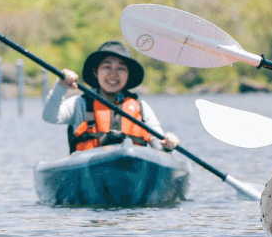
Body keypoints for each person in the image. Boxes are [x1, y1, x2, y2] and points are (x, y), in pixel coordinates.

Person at [41, 41, 180, 153]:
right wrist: (61, 86)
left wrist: (168, 144)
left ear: (128, 75)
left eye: (121, 68)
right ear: (96, 72)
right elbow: (49, 116)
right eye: (107, 67)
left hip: (133, 172)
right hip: (88, 175)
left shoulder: (141, 107)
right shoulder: (80, 103)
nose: (113, 74)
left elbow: (159, 145)